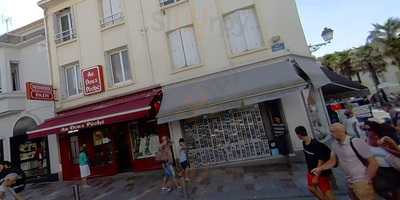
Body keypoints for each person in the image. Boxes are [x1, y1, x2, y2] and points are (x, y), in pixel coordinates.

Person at [312, 123, 379, 200]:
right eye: (331, 132)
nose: (331, 134)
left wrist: (367, 179)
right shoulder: (334, 145)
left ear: (341, 131)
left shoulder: (356, 142)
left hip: (361, 180)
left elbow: (373, 162)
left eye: (333, 131)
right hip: (349, 181)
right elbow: (332, 162)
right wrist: (320, 168)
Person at [295, 126, 336, 200]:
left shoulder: (316, 144)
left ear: (299, 134)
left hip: (320, 172)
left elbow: (321, 160)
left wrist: (316, 175)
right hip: (311, 171)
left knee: (327, 192)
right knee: (311, 188)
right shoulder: (304, 143)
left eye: (297, 134)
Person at [367, 122, 400, 199]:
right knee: (380, 189)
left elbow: (398, 153)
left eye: (372, 134)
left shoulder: (386, 139)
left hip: (392, 169)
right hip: (379, 170)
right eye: (369, 135)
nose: (371, 136)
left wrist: (384, 147)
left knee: (395, 189)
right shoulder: (367, 142)